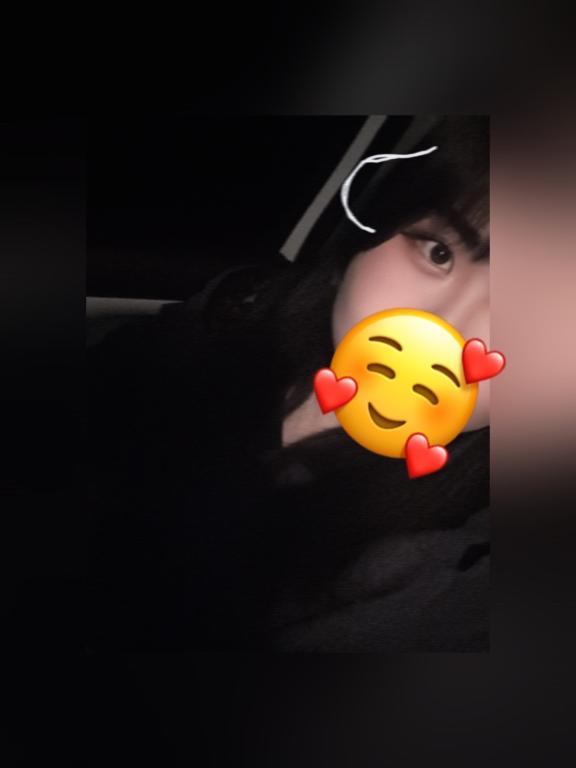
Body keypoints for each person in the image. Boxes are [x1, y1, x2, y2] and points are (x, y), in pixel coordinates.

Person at [85, 115, 489, 652]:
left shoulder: (454, 571)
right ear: (372, 230)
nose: (448, 332)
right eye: (439, 252)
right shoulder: (248, 303)